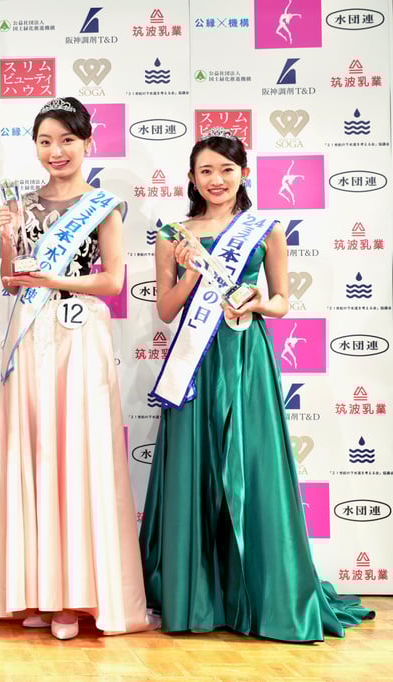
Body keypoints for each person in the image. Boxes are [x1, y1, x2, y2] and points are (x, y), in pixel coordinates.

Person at [140, 128, 374, 641]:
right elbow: (165, 309)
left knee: (253, 469)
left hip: (246, 356)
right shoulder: (173, 234)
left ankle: (266, 597)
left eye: (226, 169)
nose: (216, 180)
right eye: (206, 171)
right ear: (193, 178)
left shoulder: (264, 228)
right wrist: (191, 274)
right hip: (195, 363)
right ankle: (196, 601)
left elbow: (282, 300)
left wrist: (256, 302)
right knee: (196, 473)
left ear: (244, 173)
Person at [0, 97, 153, 640]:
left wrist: (56, 282)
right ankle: (34, 590)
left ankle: (73, 597)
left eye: (66, 139)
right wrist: (8, 238)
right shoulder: (24, 203)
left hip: (80, 335)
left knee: (76, 456)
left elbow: (112, 283)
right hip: (32, 333)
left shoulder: (104, 205)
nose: (55, 151)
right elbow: (13, 280)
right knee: (32, 452)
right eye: (45, 141)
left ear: (87, 143)